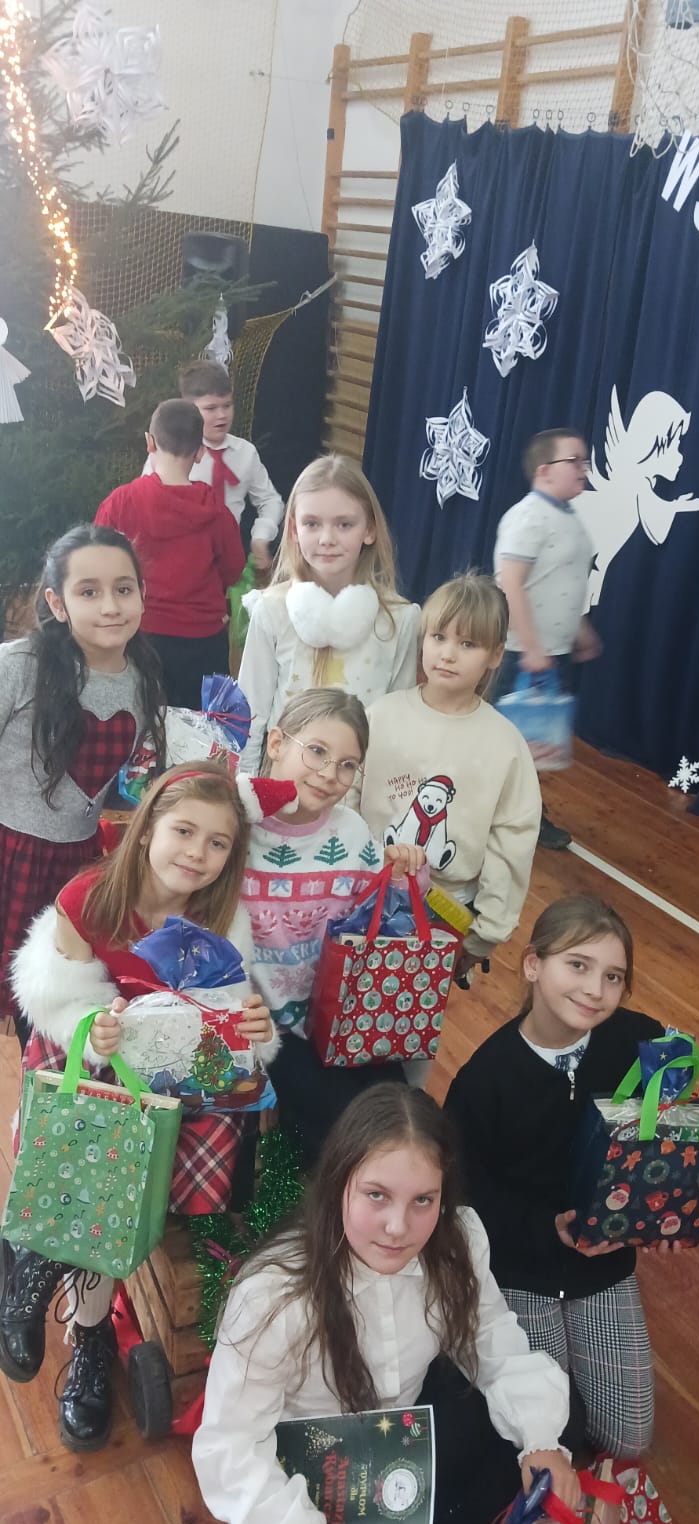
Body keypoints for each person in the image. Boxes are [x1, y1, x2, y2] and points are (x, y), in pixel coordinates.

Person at [0, 760, 289, 1452]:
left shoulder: (222, 917)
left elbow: (221, 1026)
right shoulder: (89, 897)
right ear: (149, 825)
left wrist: (250, 1029)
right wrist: (92, 1026)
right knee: (106, 1150)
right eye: (183, 831)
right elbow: (57, 1002)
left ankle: (64, 1293)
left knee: (128, 1169)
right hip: (90, 1064)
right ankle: (70, 1305)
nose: (197, 853)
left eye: (217, 843)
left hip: (168, 1075)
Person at [193, 1083, 578, 1524]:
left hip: (399, 1449)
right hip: (309, 1481)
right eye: (377, 1195)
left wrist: (541, 1439)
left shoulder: (456, 1241)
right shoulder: (275, 1295)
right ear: (339, 1183)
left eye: (423, 1200)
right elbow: (232, 1445)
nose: (398, 1227)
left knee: (546, 1450)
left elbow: (491, 1339)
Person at [445, 895, 662, 1459]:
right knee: (553, 1429)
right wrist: (547, 1230)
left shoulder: (639, 1040)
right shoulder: (483, 1080)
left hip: (603, 1265)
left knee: (627, 1436)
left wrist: (657, 1207)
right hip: (522, 1269)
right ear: (533, 965)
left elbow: (668, 1129)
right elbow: (464, 1199)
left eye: (613, 976)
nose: (595, 989)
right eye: (578, 965)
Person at [243, 687, 425, 1162]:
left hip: (340, 1016)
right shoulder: (239, 824)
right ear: (276, 743)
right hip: (266, 1028)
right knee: (346, 1133)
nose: (329, 774)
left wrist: (404, 875)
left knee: (406, 1117)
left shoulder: (350, 830)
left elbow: (381, 918)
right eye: (317, 751)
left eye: (347, 765)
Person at [0, 524, 165, 1046]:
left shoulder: (143, 679)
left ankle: (42, 1085)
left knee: (57, 999)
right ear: (58, 603)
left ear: (143, 594)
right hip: (9, 855)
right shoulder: (19, 667)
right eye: (88, 592)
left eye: (123, 588)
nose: (110, 606)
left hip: (78, 866)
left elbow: (129, 781)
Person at [358, 573, 541, 990]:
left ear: (496, 655)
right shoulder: (381, 715)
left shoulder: (505, 744)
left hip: (444, 910)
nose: (448, 654)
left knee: (415, 1013)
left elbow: (512, 840)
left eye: (468, 644)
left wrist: (485, 934)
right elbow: (348, 795)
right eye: (438, 637)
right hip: (365, 890)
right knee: (346, 999)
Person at [237, 455, 420, 774]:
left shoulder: (399, 620)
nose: (327, 539)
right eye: (312, 523)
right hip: (281, 785)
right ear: (294, 529)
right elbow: (249, 713)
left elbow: (398, 724)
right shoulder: (272, 609)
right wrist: (245, 788)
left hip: (356, 787)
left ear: (369, 529)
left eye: (344, 524)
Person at [97, 398, 245, 709]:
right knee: (205, 728)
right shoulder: (218, 513)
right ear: (200, 452)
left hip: (139, 636)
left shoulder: (120, 502)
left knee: (140, 719)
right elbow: (233, 569)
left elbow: (98, 562)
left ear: (149, 442)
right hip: (204, 641)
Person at [493, 430, 601, 851]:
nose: (582, 469)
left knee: (533, 745)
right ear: (544, 470)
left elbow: (564, 582)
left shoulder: (568, 516)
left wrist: (580, 630)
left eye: (584, 461)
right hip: (521, 654)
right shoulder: (528, 517)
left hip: (551, 653)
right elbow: (511, 583)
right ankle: (503, 816)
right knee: (508, 744)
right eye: (574, 461)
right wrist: (532, 648)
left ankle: (521, 815)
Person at [143, 359, 284, 572]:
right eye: (210, 408)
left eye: (227, 405)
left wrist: (260, 537)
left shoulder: (245, 453)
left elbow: (270, 500)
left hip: (230, 560)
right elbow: (146, 500)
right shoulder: (170, 452)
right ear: (190, 410)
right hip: (180, 560)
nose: (222, 415)